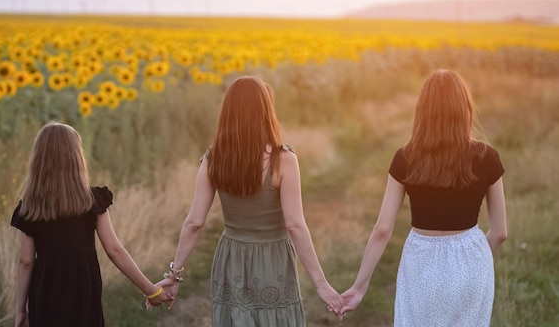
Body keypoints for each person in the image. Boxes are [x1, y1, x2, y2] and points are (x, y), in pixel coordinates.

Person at [155, 76, 343, 326]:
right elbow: (295, 225)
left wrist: (174, 275)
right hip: (272, 258)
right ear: (266, 110)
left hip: (231, 257)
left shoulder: (214, 158)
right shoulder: (283, 159)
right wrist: (321, 284)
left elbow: (195, 222)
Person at [339, 69, 508, 326]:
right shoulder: (487, 156)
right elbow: (499, 233)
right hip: (472, 260)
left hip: (421, 259)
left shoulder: (405, 157)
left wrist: (360, 287)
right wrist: (475, 258)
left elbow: (383, 229)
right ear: (465, 108)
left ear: (423, 110)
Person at [11, 122, 172, 327]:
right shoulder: (90, 200)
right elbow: (114, 250)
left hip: (45, 290)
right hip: (82, 287)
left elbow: (25, 261)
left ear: (39, 159)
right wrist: (152, 290)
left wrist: (20, 311)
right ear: (76, 157)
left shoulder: (30, 206)